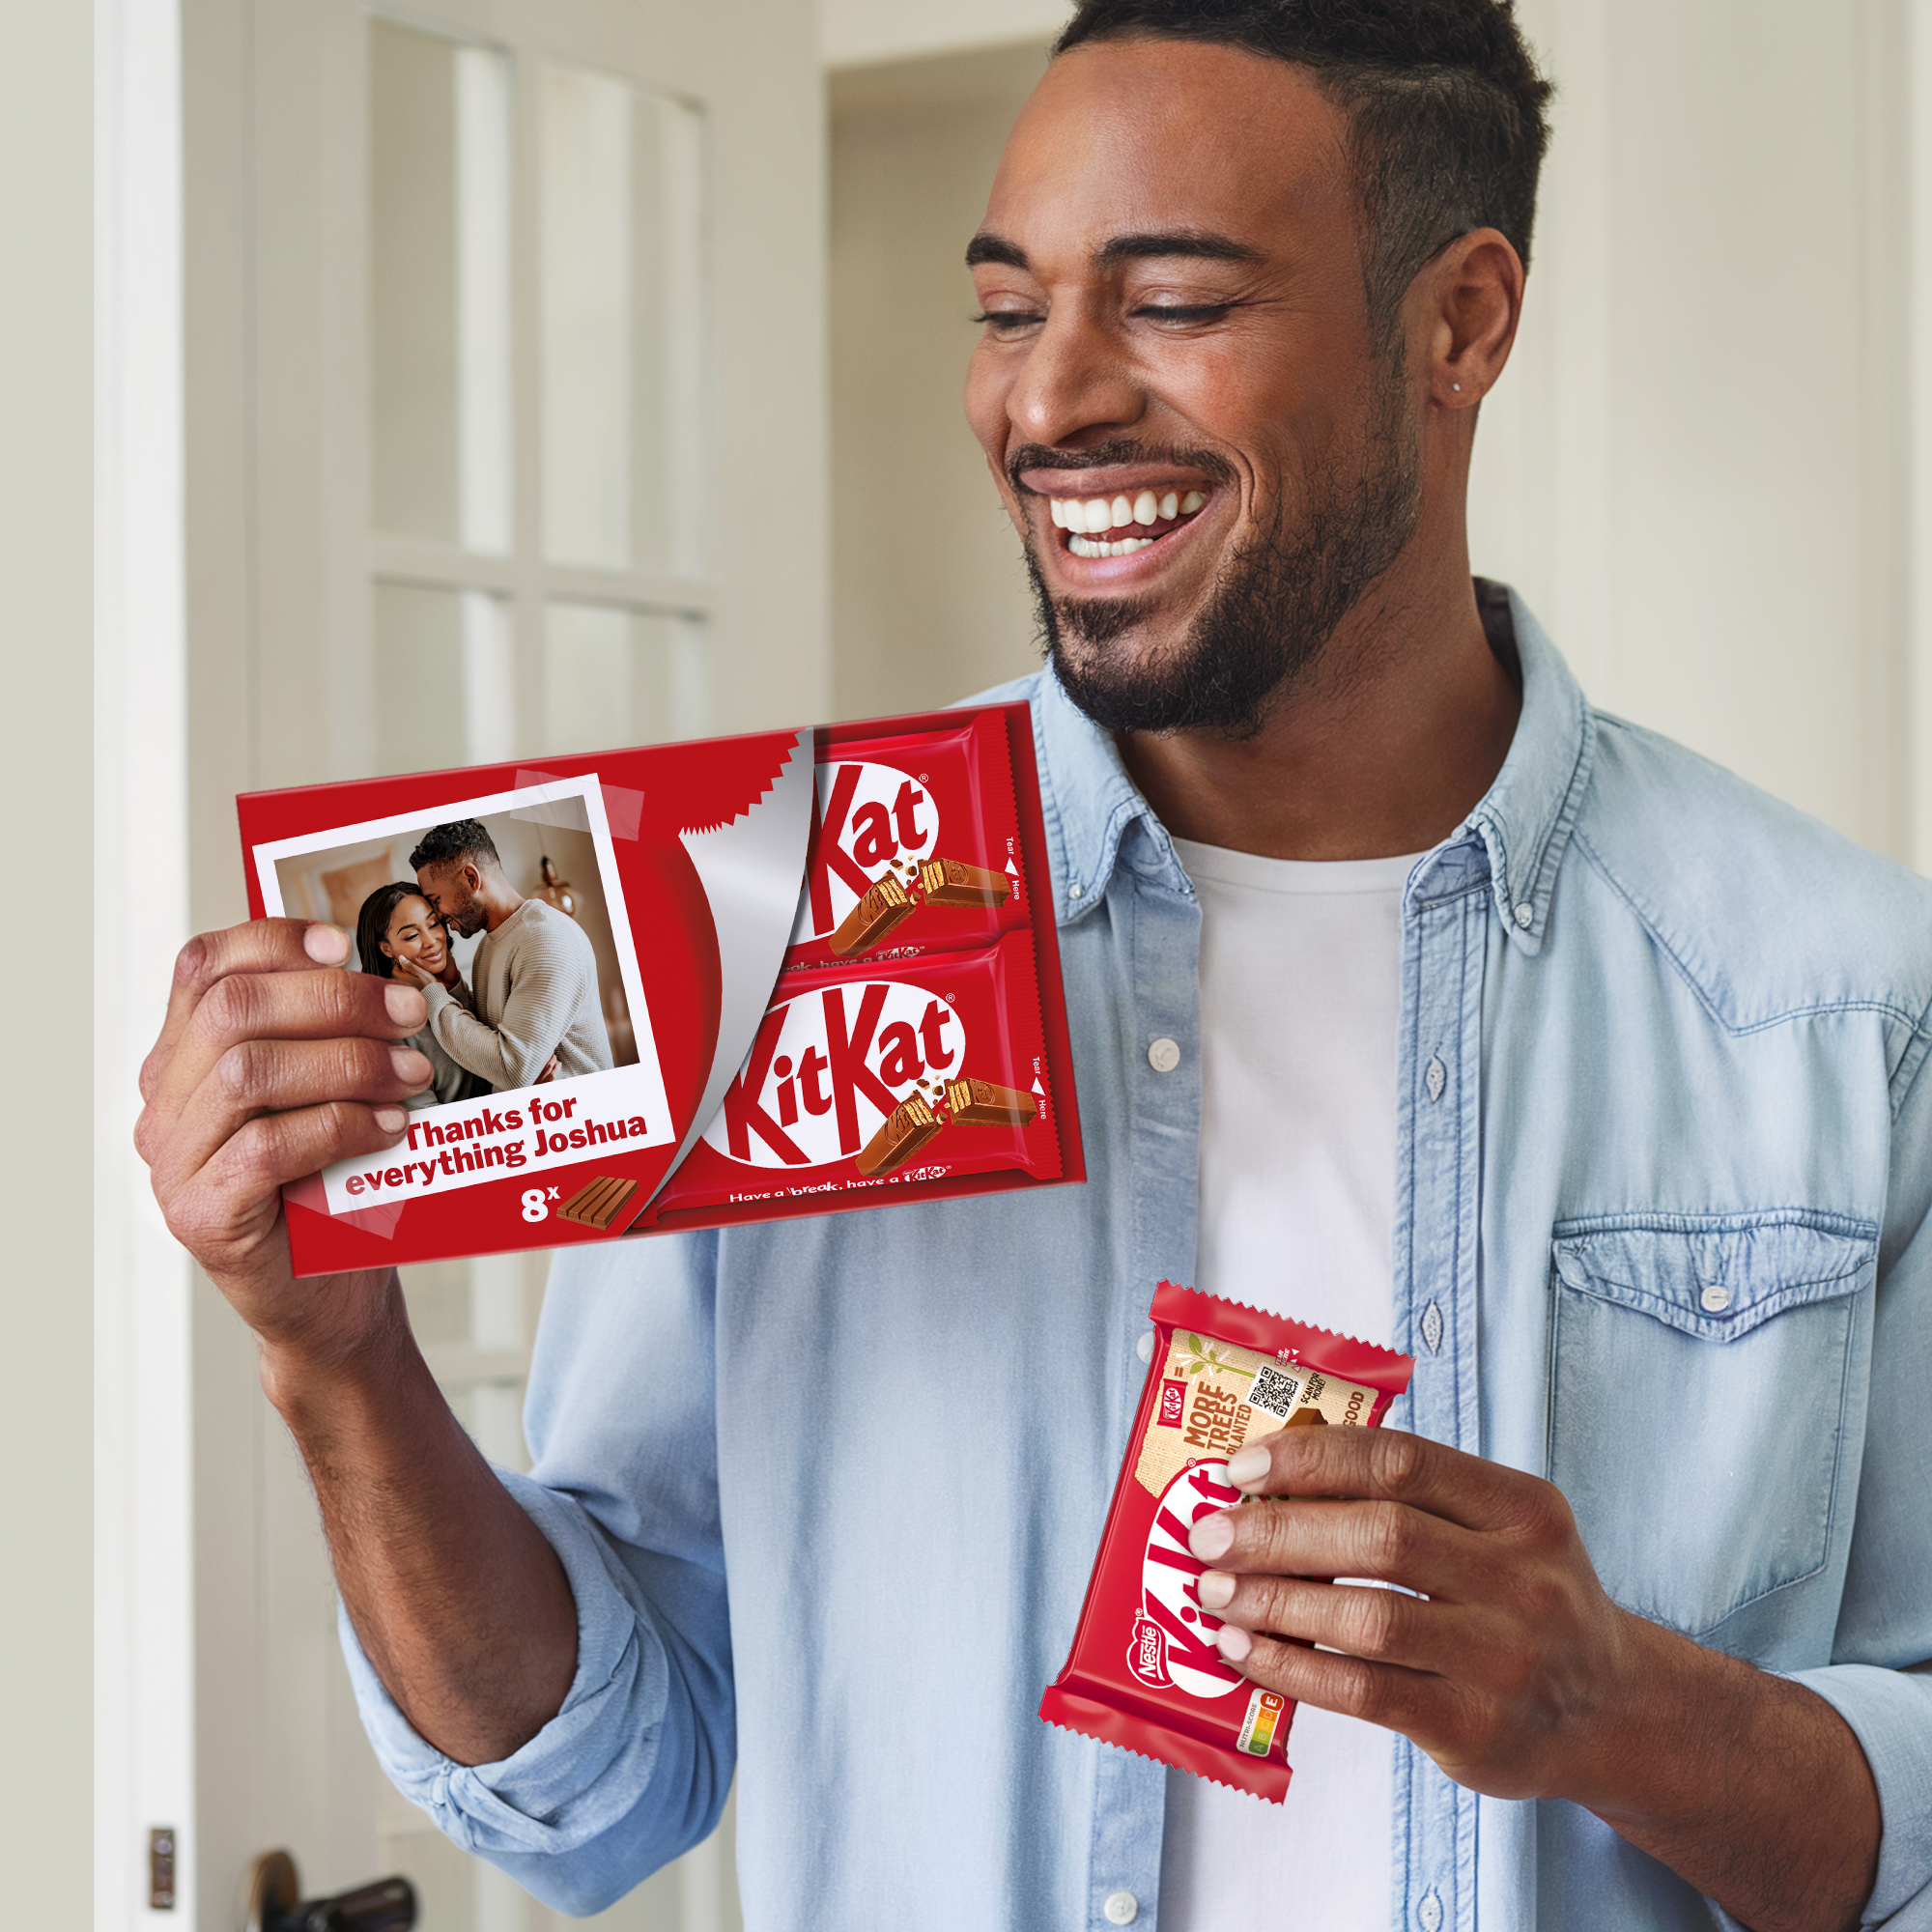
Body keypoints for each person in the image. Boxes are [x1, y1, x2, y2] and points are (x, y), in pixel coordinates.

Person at [133, 6, 1932, 1930]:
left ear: (1460, 324)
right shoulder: (764, 930)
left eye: (1173, 303)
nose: (1048, 398)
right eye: (1007, 309)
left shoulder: (1842, 1008)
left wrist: (1622, 1711)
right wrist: (338, 1367)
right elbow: (594, 1789)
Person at [394, 818, 613, 1090]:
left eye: (436, 900)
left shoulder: (547, 939)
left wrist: (433, 993)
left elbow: (512, 1071)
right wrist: (453, 988)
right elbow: (489, 1045)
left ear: (471, 878)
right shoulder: (488, 945)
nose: (438, 916)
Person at [352, 883, 488, 1109]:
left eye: (433, 924)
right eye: (412, 935)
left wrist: (455, 988)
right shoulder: (388, 1030)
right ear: (387, 949)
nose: (431, 941)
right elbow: (427, 1122)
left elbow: (490, 1054)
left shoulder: (456, 990)